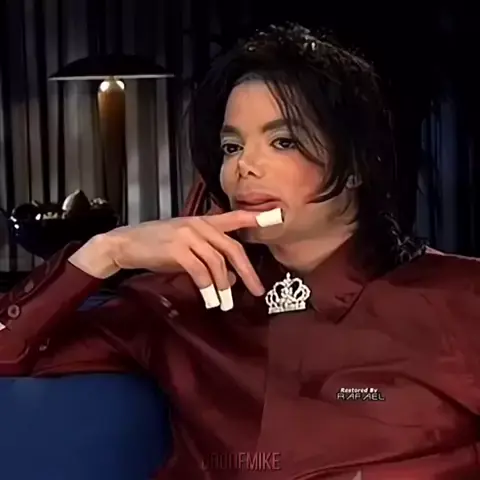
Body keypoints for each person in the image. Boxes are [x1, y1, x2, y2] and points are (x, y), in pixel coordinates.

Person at [1, 22, 480, 480]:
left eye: (283, 141)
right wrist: (109, 249)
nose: (244, 167)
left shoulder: (461, 300)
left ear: (355, 165)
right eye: (232, 147)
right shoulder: (179, 305)